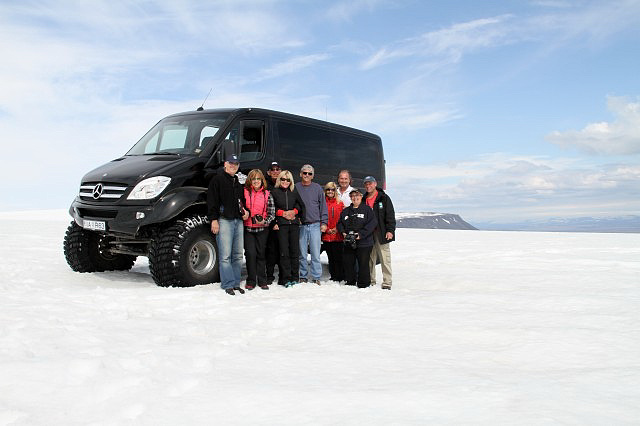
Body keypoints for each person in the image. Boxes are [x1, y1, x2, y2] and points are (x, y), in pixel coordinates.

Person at [207, 154, 248, 296]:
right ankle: (227, 284)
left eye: (236, 164)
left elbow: (241, 201)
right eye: (231, 163)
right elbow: (212, 201)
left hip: (238, 220)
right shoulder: (217, 180)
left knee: (237, 255)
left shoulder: (237, 181)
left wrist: (245, 211)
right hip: (224, 220)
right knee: (225, 255)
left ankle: (236, 283)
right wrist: (213, 220)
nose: (233, 166)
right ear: (225, 164)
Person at [271, 170, 305, 287]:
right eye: (283, 179)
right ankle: (285, 278)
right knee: (284, 252)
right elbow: (270, 208)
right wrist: (282, 213)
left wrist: (294, 211)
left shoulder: (294, 191)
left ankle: (295, 277)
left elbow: (301, 205)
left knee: (294, 252)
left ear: (291, 181)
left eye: (288, 179)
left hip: (294, 225)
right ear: (279, 180)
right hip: (282, 226)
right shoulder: (274, 192)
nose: (285, 182)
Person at [337, 188, 377, 288]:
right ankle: (350, 281)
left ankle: (363, 283)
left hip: (364, 242)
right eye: (353, 196)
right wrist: (343, 233)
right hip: (349, 241)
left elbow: (372, 224)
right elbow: (340, 223)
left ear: (361, 196)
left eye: (357, 195)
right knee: (348, 262)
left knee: (363, 263)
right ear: (350, 198)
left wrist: (361, 234)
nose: (355, 198)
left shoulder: (367, 210)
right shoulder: (346, 211)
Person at [243, 169, 275, 290]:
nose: (256, 181)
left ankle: (262, 280)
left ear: (262, 180)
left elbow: (272, 213)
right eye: (253, 179)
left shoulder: (267, 194)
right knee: (250, 254)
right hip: (248, 228)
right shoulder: (245, 192)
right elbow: (239, 206)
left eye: (258, 179)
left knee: (261, 254)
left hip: (262, 229)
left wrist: (265, 221)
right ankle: (251, 280)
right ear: (250, 180)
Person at [296, 164, 328, 285]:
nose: (307, 175)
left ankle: (316, 276)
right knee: (302, 253)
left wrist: (324, 222)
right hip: (301, 225)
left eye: (309, 173)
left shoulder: (318, 188)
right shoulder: (296, 187)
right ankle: (303, 275)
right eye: (305, 173)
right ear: (300, 174)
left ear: (313, 176)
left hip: (315, 225)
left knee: (315, 253)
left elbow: (323, 206)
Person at [364, 176, 396, 290]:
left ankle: (387, 282)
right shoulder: (364, 199)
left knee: (384, 257)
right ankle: (371, 280)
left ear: (375, 184)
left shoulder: (384, 198)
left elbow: (390, 216)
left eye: (370, 183)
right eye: (366, 184)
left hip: (381, 233)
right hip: (368, 234)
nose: (368, 186)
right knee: (370, 258)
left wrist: (390, 230)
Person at [322, 181, 344, 282]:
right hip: (327, 234)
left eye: (332, 190)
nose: (330, 191)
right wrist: (326, 229)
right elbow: (320, 218)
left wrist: (336, 228)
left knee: (338, 257)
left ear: (335, 191)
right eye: (328, 189)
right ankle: (333, 276)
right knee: (330, 256)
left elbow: (342, 219)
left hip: (337, 234)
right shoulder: (322, 203)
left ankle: (340, 276)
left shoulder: (340, 203)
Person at [265, 161, 282, 284]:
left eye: (277, 169)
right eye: (273, 169)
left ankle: (283, 275)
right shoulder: (265, 186)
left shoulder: (284, 184)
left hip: (281, 222)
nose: (275, 172)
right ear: (268, 172)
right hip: (270, 223)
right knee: (270, 250)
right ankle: (269, 275)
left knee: (282, 249)